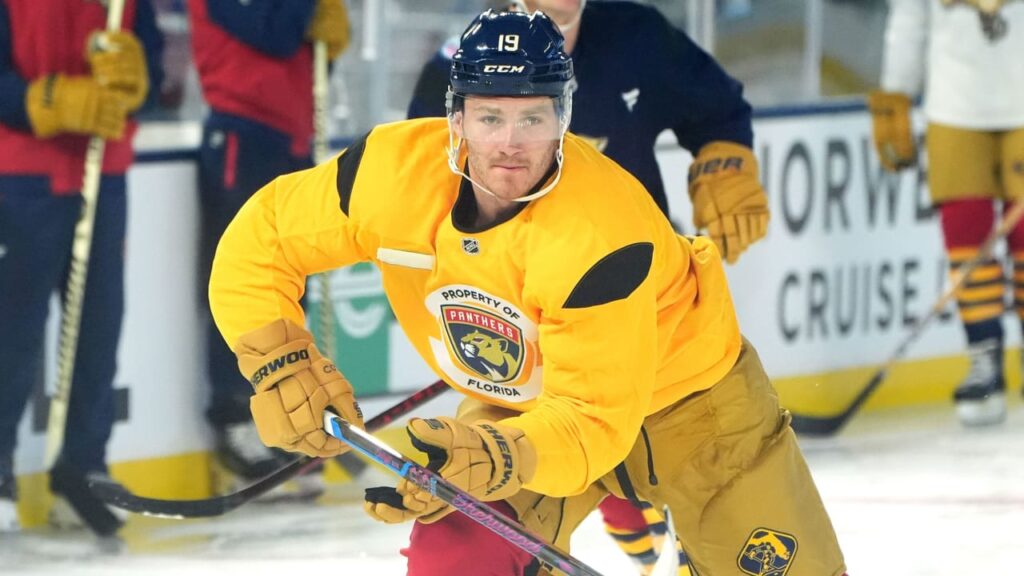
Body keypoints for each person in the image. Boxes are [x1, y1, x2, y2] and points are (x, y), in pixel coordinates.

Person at [209, 10, 846, 576]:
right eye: (490, 117)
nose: (510, 143)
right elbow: (261, 241)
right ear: (455, 118)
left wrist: (495, 455)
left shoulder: (599, 227)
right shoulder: (390, 173)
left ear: (563, 118)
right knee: (457, 559)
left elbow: (593, 421)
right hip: (528, 410)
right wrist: (278, 360)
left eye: (532, 118)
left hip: (692, 404)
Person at [407, 1, 768, 572]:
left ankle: (629, 486)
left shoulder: (636, 34)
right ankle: (609, 491)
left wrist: (725, 164)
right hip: (521, 309)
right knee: (521, 479)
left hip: (637, 302)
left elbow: (717, 107)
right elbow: (423, 193)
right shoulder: (465, 62)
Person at [0, 0, 163, 535]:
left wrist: (136, 82)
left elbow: (154, 72)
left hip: (101, 170)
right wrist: (45, 100)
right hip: (19, 174)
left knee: (98, 327)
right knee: (11, 332)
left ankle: (83, 467)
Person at [187, 0, 350, 485]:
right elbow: (271, 33)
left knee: (289, 286)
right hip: (243, 134)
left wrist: (325, 49)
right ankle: (235, 416)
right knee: (242, 285)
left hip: (291, 134)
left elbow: (296, 53)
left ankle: (290, 415)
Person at [869, 0, 1024, 426]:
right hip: (954, 103)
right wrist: (896, 91)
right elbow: (910, 15)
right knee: (965, 234)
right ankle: (984, 355)